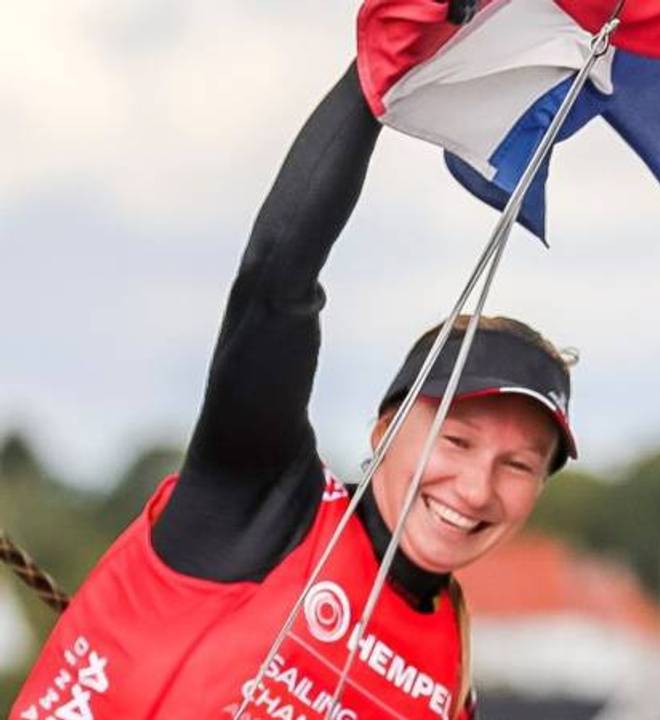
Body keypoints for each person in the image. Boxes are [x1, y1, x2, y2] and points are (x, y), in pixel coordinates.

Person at [10, 34, 576, 720]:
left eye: (517, 466)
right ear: (384, 427)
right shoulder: (263, 497)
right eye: (454, 442)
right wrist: (378, 73)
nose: (476, 487)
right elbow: (276, 283)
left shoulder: (450, 678)